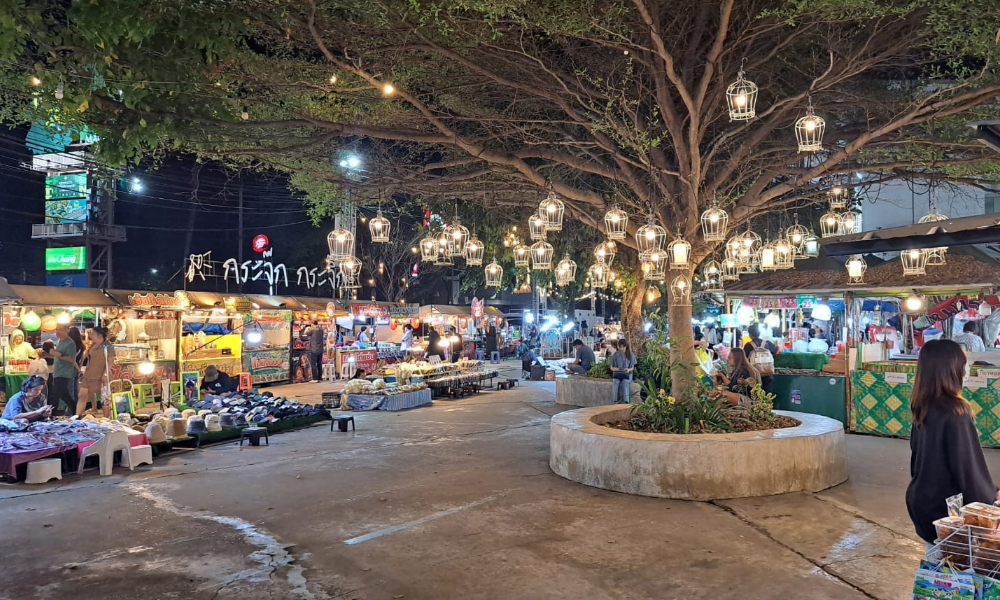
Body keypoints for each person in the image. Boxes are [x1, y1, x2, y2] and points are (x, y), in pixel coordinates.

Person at [906, 339, 1000, 546]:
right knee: (959, 573)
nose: (966, 370)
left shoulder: (922, 406)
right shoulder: (956, 412)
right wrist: (991, 501)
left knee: (937, 570)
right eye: (964, 364)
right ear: (952, 368)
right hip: (949, 512)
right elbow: (968, 469)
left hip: (922, 504)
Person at [77, 327, 108, 416]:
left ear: (99, 336)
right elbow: (86, 355)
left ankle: (106, 418)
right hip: (89, 373)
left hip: (101, 374)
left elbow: (109, 361)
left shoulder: (107, 346)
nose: (91, 336)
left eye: (93, 334)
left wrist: (105, 373)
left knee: (104, 398)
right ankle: (78, 415)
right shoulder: (92, 345)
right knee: (82, 395)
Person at [49, 324, 78, 416]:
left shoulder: (70, 343)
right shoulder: (60, 341)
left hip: (64, 373)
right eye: (56, 329)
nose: (57, 332)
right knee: (62, 395)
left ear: (67, 331)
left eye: (60, 330)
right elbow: (58, 356)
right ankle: (75, 411)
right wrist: (47, 355)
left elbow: (71, 359)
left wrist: (57, 354)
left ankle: (52, 414)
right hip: (57, 372)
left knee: (57, 394)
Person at [744, 324, 778, 393]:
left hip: (754, 375)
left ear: (750, 335)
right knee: (767, 394)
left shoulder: (748, 345)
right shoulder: (767, 343)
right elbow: (777, 351)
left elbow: (744, 359)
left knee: (755, 394)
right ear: (759, 333)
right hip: (768, 374)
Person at [609, 340, 637, 404]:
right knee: (615, 382)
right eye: (620, 347)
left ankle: (626, 401)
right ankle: (615, 400)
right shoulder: (615, 355)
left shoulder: (631, 355)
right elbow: (611, 367)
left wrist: (628, 370)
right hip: (617, 373)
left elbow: (632, 367)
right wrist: (613, 369)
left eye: (623, 347)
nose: (621, 349)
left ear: (626, 347)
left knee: (625, 382)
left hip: (627, 374)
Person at [68, 326, 85, 409]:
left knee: (70, 391)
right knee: (75, 391)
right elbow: (82, 358)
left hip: (69, 369)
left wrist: (78, 369)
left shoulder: (70, 345)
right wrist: (79, 369)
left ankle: (71, 410)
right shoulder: (81, 345)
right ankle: (76, 409)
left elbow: (72, 360)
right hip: (76, 369)